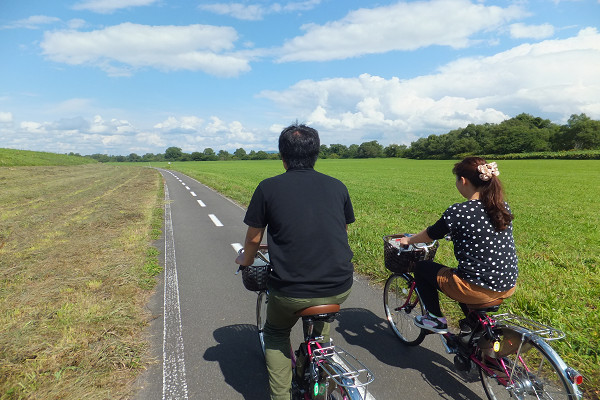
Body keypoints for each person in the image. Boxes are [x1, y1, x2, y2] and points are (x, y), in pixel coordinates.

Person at [235, 123, 355, 400]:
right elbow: (341, 232)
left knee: (276, 333)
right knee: (320, 327)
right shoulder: (337, 186)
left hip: (291, 290)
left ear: (282, 155)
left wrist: (245, 259)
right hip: (339, 284)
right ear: (316, 153)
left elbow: (253, 240)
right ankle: (320, 357)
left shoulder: (268, 188)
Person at [399, 157, 518, 333]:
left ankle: (434, 318)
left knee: (423, 268)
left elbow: (431, 234)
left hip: (476, 287)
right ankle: (475, 333)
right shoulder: (501, 207)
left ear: (463, 181)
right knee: (464, 272)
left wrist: (408, 240)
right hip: (507, 283)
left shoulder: (459, 211)